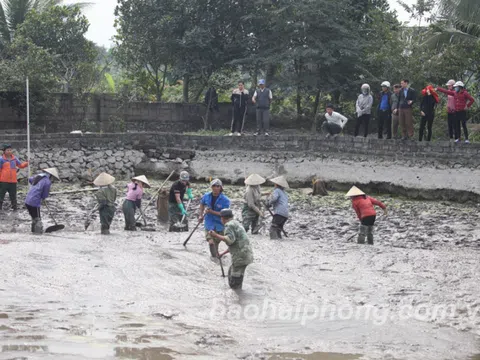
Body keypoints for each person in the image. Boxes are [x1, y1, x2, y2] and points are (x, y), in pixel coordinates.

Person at [208, 209, 254, 290]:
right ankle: (239, 295)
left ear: (222, 218)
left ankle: (237, 296)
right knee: (236, 273)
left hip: (240, 257)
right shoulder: (236, 223)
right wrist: (223, 253)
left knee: (234, 281)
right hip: (247, 255)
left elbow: (229, 240)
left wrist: (216, 235)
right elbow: (235, 243)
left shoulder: (228, 225)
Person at [199, 178, 230, 257]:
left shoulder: (225, 200)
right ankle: (214, 258)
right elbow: (202, 204)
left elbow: (224, 214)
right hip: (209, 223)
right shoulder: (206, 196)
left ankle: (218, 256)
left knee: (223, 242)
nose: (215, 188)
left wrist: (211, 211)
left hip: (220, 224)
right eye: (214, 186)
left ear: (220, 188)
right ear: (211, 187)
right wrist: (201, 215)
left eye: (217, 186)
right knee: (211, 243)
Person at [25, 168, 59, 234]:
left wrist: (36, 187)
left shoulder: (38, 177)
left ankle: (33, 232)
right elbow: (45, 194)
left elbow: (30, 179)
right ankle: (38, 234)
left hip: (27, 200)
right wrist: (43, 197)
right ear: (51, 176)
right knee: (38, 219)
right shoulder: (47, 181)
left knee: (34, 217)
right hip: (34, 202)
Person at [0, 144, 28, 211]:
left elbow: (20, 165)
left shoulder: (14, 158)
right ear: (4, 151)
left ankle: (14, 208)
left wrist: (27, 163)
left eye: (10, 150)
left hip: (13, 181)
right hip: (4, 181)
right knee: (1, 194)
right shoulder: (1, 159)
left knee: (13, 195)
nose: (9, 151)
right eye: (7, 150)